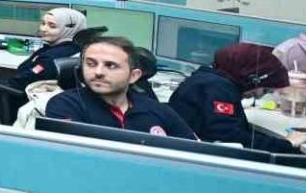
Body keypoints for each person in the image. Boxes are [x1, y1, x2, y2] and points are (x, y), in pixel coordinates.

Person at [0, 7, 86, 165]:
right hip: (28, 96)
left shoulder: (51, 58)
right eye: (43, 23)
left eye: (52, 26)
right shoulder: (68, 49)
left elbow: (21, 82)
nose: (44, 29)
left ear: (69, 29)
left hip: (19, 100)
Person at [168, 43, 306, 152]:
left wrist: (279, 142)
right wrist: (286, 144)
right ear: (251, 78)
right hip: (202, 158)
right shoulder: (218, 89)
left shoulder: (208, 80)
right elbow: (229, 136)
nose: (259, 94)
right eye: (264, 89)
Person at [44, 37, 198, 138]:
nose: (98, 72)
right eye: (91, 64)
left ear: (133, 76)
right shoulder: (65, 105)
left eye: (111, 65)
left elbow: (193, 151)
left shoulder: (157, 110)